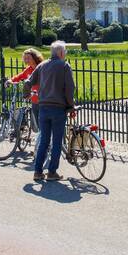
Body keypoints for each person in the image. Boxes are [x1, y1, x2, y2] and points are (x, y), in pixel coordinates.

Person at [24, 40, 75, 183]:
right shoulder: (64, 66)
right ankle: (52, 172)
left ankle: (37, 171)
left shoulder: (42, 65)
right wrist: (70, 106)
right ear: (60, 53)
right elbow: (70, 89)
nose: (65, 54)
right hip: (58, 108)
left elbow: (28, 82)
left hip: (43, 107)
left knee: (44, 141)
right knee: (57, 141)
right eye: (64, 52)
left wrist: (26, 95)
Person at [3, 47, 43, 133]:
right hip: (34, 100)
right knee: (40, 125)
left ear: (35, 57)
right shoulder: (28, 69)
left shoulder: (42, 67)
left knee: (44, 124)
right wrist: (11, 80)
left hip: (44, 100)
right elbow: (20, 76)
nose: (26, 60)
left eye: (28, 58)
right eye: (25, 58)